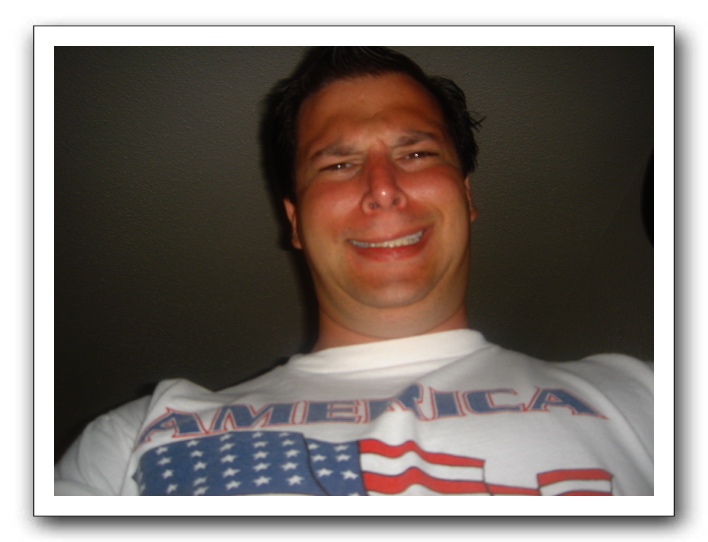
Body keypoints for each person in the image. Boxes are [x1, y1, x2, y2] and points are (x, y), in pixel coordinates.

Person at [54, 47, 653, 496]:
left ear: (467, 196)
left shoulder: (646, 399)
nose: (382, 188)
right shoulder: (139, 438)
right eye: (338, 164)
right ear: (294, 221)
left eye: (416, 153)